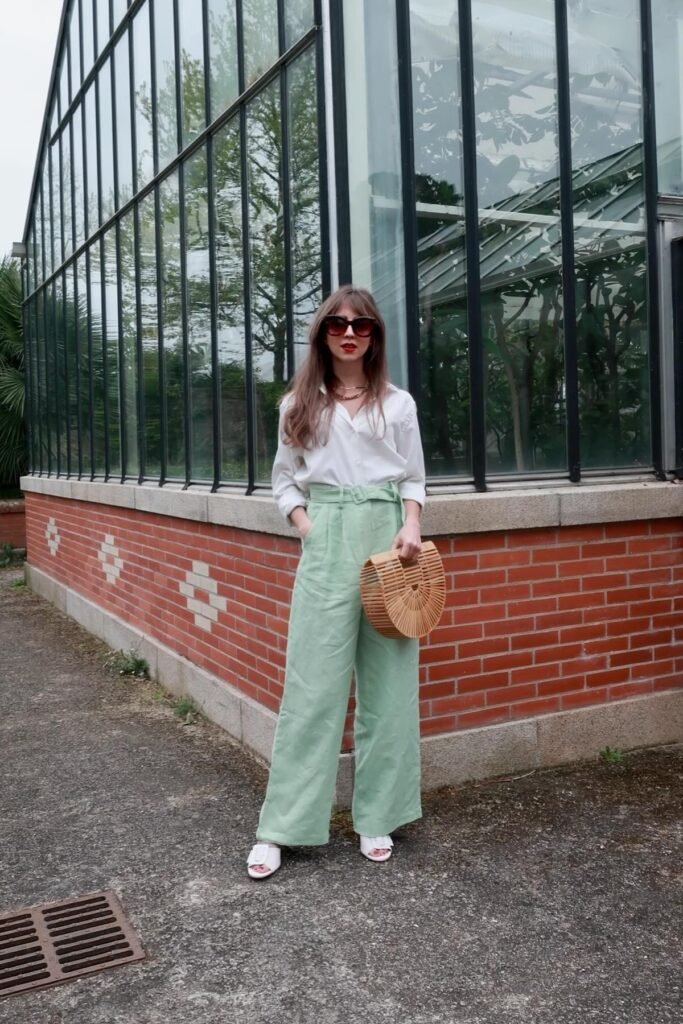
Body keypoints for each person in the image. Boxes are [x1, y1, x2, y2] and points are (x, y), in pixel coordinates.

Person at [247, 284, 426, 879]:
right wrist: (308, 527)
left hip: (386, 538)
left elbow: (413, 478)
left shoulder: (398, 404)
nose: (349, 333)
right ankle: (282, 826)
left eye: (361, 325)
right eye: (337, 324)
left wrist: (410, 526)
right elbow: (284, 480)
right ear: (322, 333)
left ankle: (379, 815)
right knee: (312, 686)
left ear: (374, 336)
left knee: (389, 685)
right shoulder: (298, 404)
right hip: (327, 537)